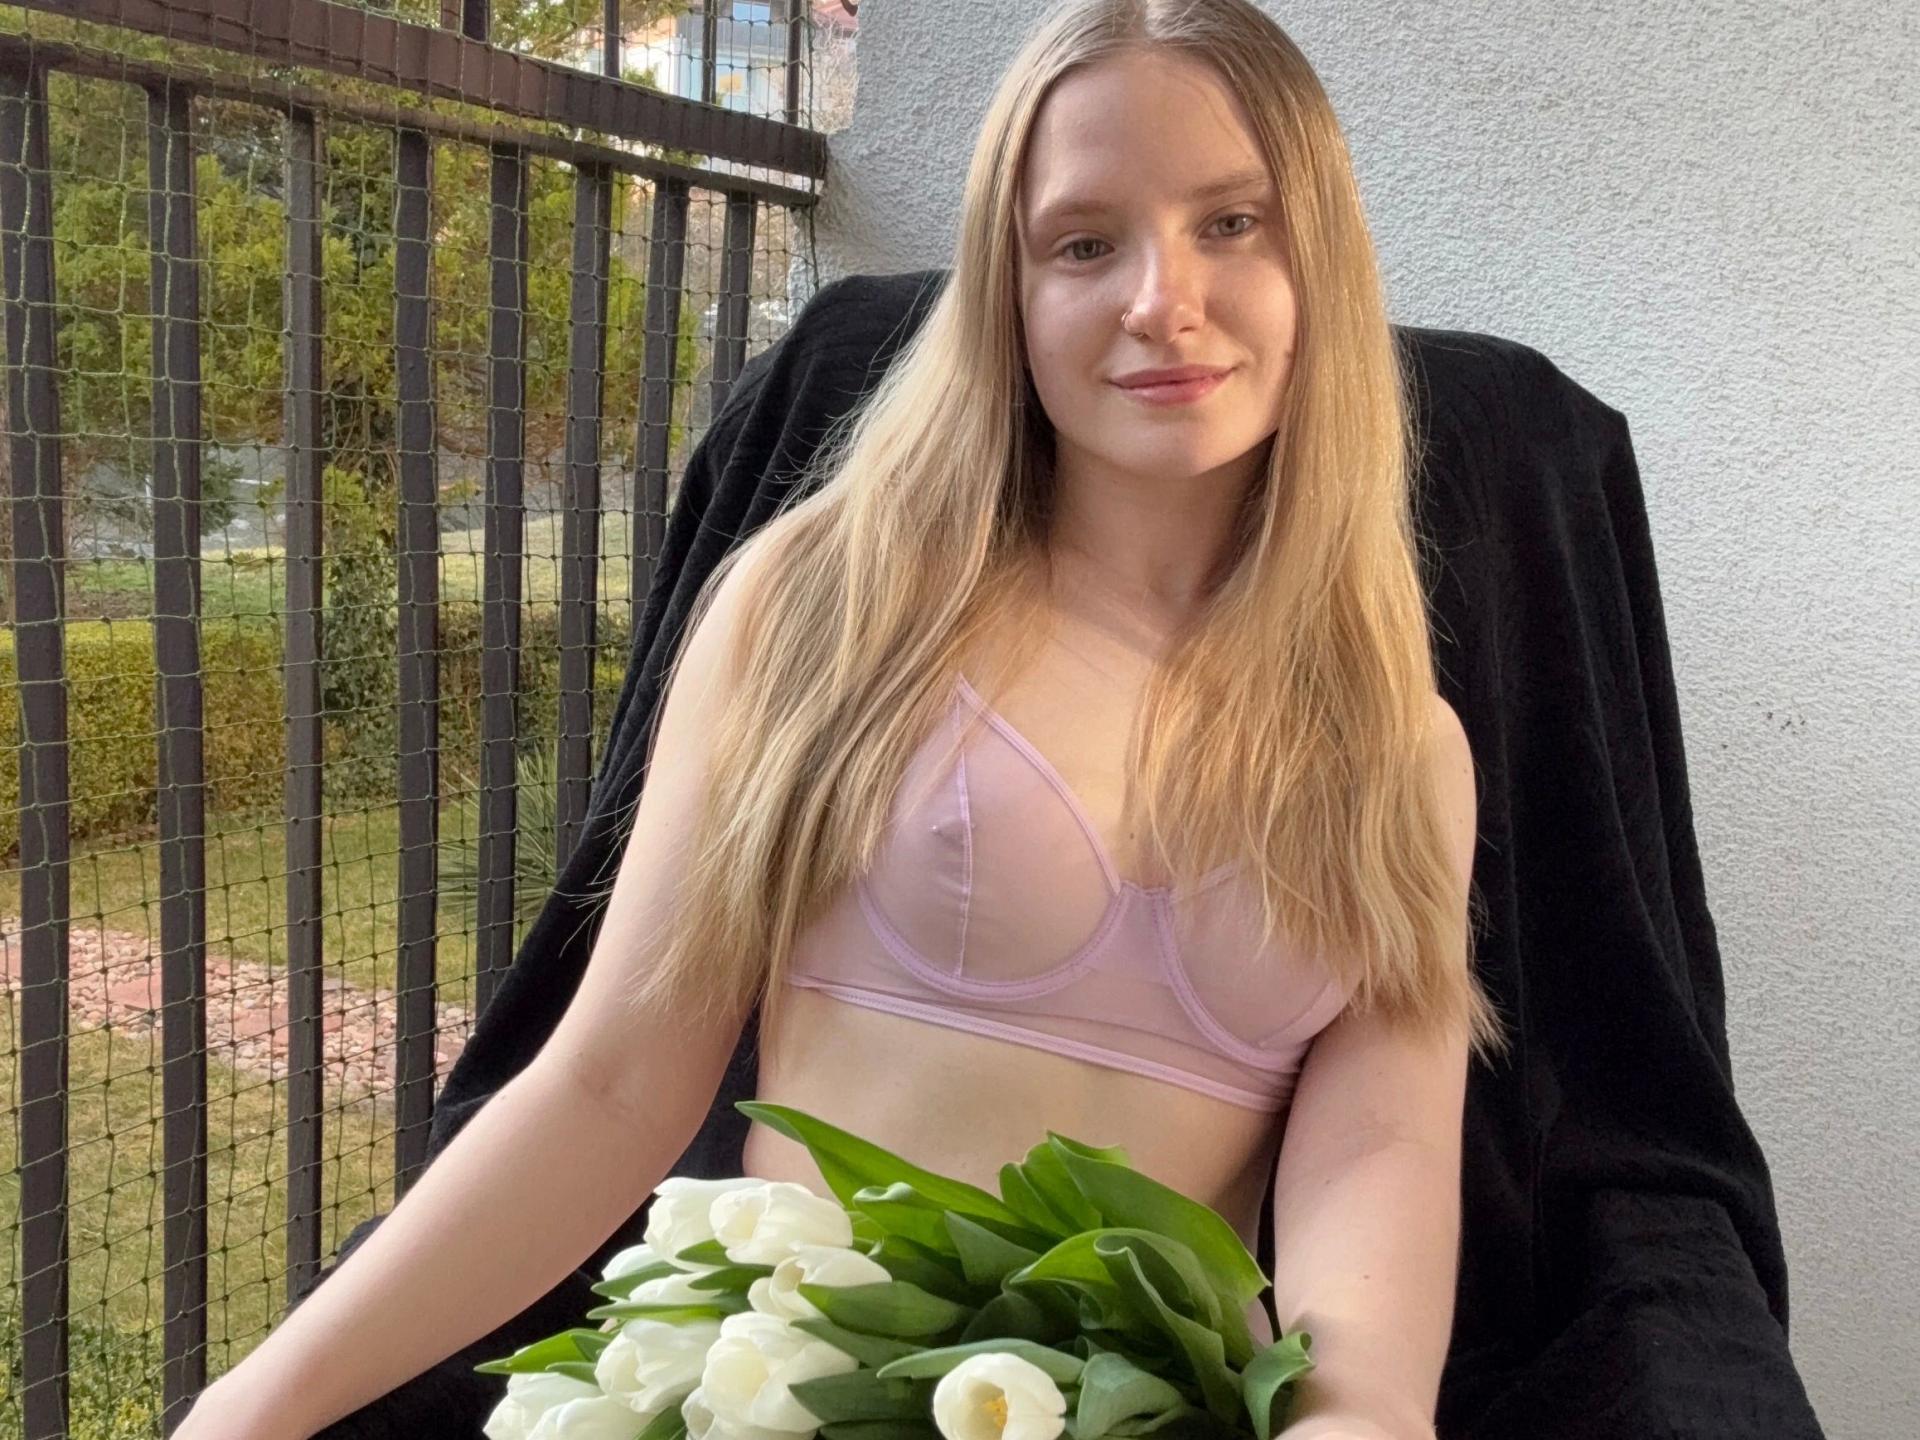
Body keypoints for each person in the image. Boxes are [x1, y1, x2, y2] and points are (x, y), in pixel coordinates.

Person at [180, 2, 1508, 1436]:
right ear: (1005, 290)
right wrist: (254, 1411)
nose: (1161, 300)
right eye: (1083, 243)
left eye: (1231, 223)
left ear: (1321, 257)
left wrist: (1362, 1415)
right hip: (786, 1399)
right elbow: (613, 1085)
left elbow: (1378, 1163)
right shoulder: (836, 606)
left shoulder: (1400, 750)